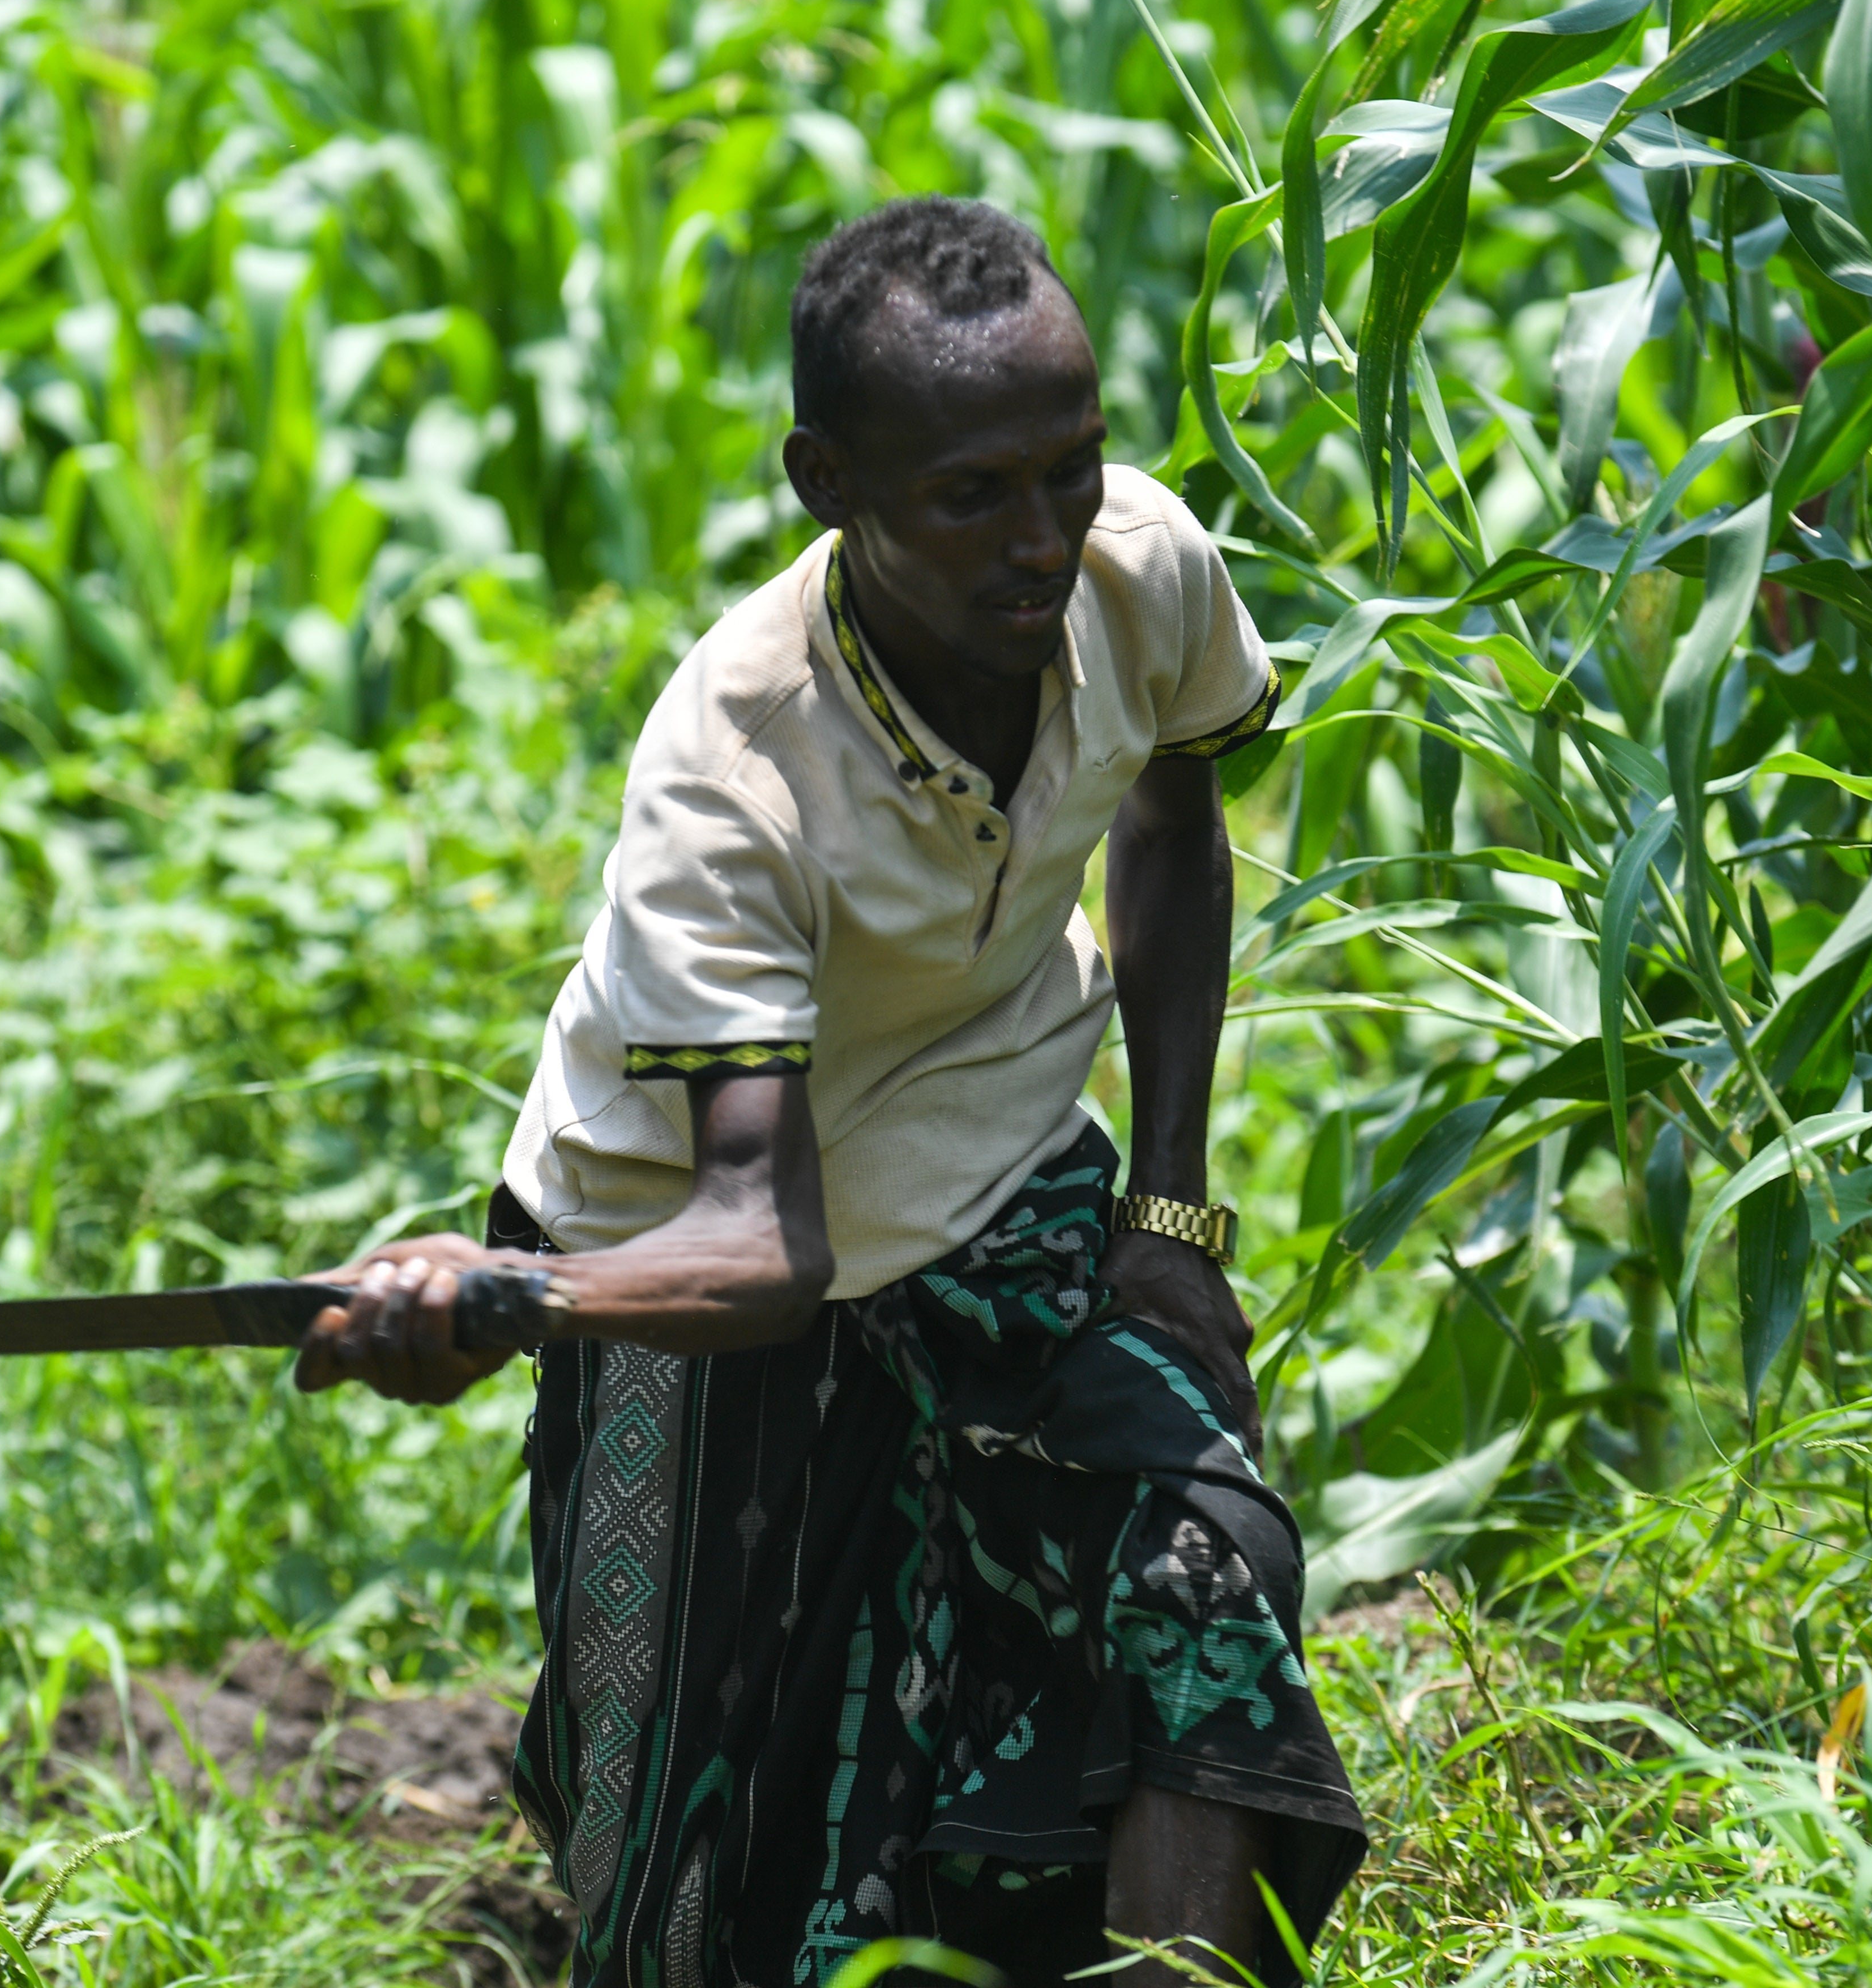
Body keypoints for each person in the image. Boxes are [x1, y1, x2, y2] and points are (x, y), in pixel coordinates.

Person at [296, 196, 1367, 1988]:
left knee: (1204, 1587)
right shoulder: (736, 763)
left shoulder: (1145, 568)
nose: (1041, 541)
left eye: (1069, 468)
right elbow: (761, 1243)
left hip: (999, 1170)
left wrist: (1169, 1212)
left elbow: (1177, 811)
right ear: (827, 482)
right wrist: (506, 1298)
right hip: (673, 1261)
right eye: (971, 497)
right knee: (703, 1862)